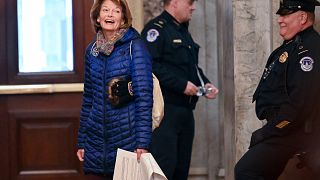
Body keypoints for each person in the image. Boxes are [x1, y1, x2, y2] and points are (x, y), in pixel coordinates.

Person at [235, 0, 320, 179]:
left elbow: (300, 105)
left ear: (303, 17)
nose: (280, 19)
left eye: (285, 15)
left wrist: (268, 132)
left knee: (246, 171)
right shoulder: (294, 45)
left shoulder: (309, 51)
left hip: (294, 131)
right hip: (285, 128)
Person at [141, 0, 219, 179]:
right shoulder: (156, 29)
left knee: (181, 170)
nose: (193, 7)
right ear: (175, 3)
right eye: (189, 3)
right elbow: (150, 66)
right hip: (165, 112)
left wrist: (204, 83)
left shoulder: (182, 29)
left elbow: (191, 66)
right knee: (164, 168)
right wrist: (181, 85)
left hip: (185, 111)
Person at [76, 0, 153, 179]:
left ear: (124, 18)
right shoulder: (91, 51)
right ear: (97, 17)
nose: (110, 15)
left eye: (116, 11)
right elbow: (88, 98)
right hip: (95, 140)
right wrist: (82, 141)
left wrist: (142, 142)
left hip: (128, 140)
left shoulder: (136, 47)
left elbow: (144, 98)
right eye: (105, 10)